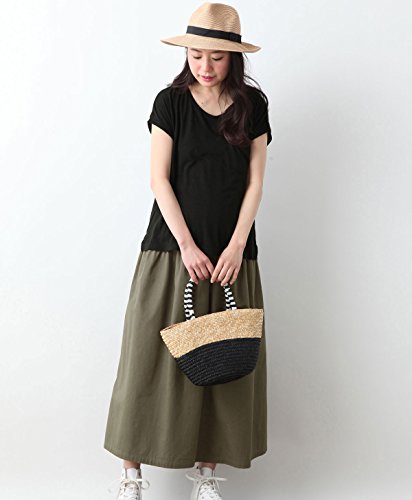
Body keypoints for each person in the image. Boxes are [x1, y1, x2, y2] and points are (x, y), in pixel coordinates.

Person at [104, 3, 272, 499]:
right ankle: (131, 478)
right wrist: (187, 245)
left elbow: (255, 182)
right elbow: (159, 179)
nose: (205, 66)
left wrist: (236, 245)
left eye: (216, 57)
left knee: (222, 363)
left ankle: (206, 476)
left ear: (233, 58)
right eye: (196, 55)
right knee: (145, 360)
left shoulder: (252, 106)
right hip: (170, 251)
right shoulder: (171, 102)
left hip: (231, 258)